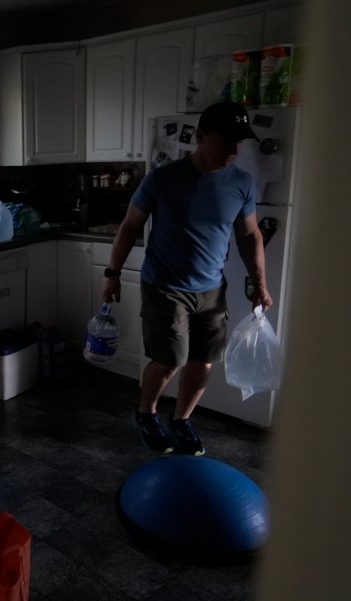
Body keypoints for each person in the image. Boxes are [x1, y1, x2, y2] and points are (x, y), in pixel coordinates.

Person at [102, 101, 273, 456]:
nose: (234, 150)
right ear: (200, 137)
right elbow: (130, 227)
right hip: (164, 286)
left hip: (211, 288)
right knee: (171, 358)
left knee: (204, 360)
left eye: (239, 142)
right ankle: (146, 413)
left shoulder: (241, 183)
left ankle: (182, 420)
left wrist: (260, 283)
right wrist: (113, 274)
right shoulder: (163, 179)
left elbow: (250, 235)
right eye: (226, 141)